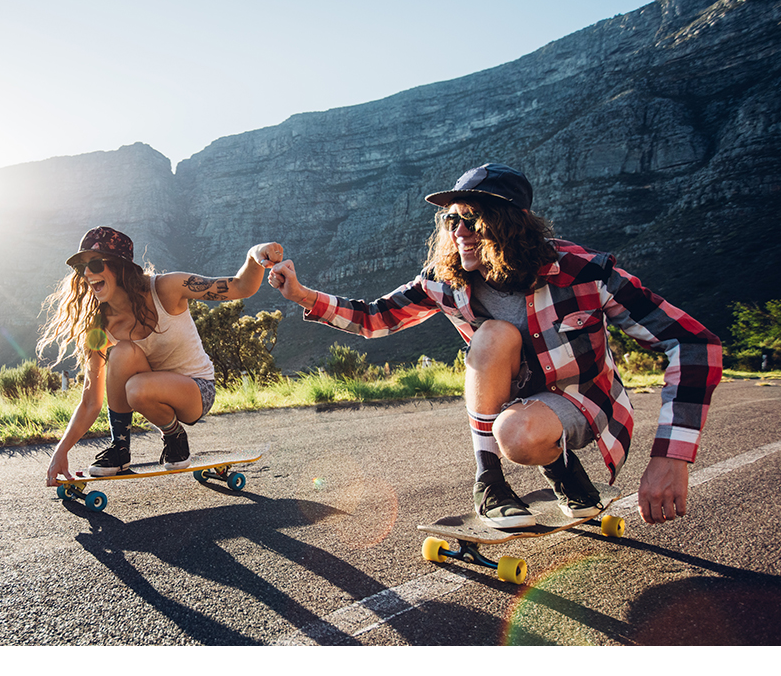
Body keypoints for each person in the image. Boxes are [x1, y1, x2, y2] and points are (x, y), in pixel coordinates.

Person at [267, 164, 723, 527]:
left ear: (513, 224)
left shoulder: (583, 272)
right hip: (511, 403)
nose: (459, 231)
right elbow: (375, 317)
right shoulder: (446, 280)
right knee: (493, 335)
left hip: (582, 401)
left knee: (517, 433)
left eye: (473, 219)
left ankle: (562, 468)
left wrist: (671, 457)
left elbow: (692, 342)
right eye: (452, 219)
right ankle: (490, 484)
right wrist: (303, 295)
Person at [40, 226, 284, 485]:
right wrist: (61, 451)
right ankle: (119, 448)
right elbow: (90, 401)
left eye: (96, 264)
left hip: (197, 391)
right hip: (150, 389)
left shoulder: (167, 288)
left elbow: (240, 287)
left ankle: (174, 435)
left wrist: (255, 254)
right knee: (123, 352)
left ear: (120, 267)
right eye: (82, 268)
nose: (88, 273)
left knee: (135, 388)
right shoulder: (99, 328)